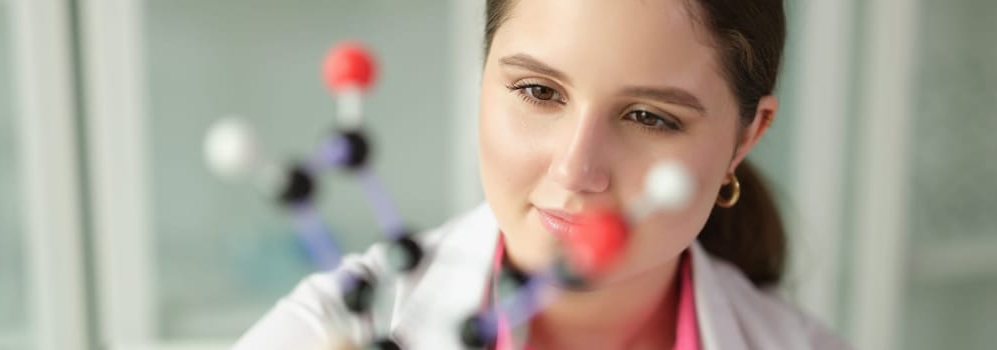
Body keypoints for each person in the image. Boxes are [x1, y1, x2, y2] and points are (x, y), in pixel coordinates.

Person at [233, 0, 851, 349]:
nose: (575, 169)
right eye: (537, 90)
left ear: (747, 137)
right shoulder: (324, 332)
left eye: (648, 117)